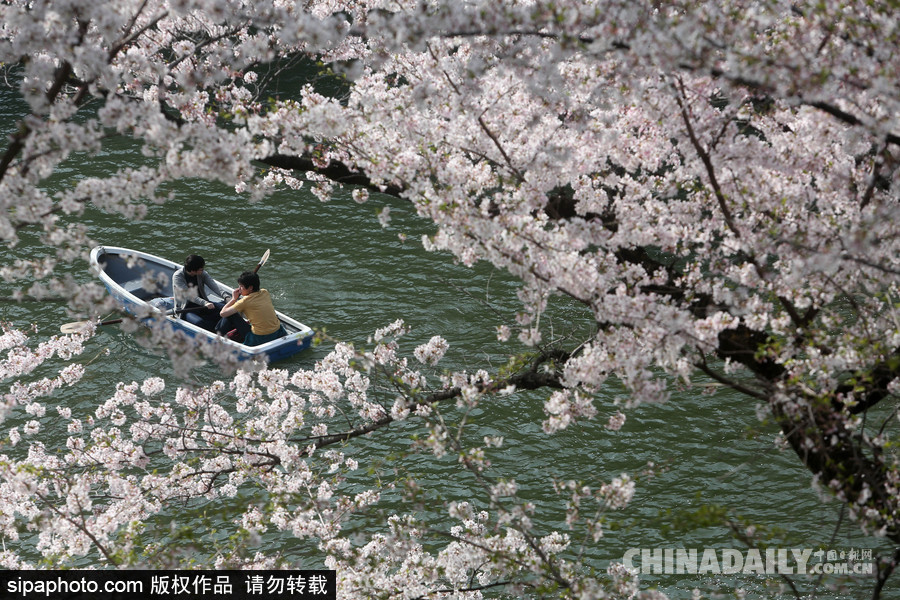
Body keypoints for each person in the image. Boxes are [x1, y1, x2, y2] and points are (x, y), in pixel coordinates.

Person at [219, 271, 286, 346]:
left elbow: (223, 313)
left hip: (260, 337)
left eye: (241, 286)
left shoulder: (244, 301)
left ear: (250, 287)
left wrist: (233, 299)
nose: (239, 289)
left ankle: (218, 334)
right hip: (277, 331)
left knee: (231, 315)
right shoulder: (265, 292)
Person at [172, 254, 231, 332]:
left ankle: (218, 328)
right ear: (193, 270)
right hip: (187, 309)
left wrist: (226, 296)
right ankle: (215, 329)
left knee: (229, 310)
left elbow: (214, 285)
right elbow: (188, 295)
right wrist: (204, 302)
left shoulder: (202, 273)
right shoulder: (178, 276)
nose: (203, 270)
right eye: (201, 269)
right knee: (199, 323)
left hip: (204, 305)